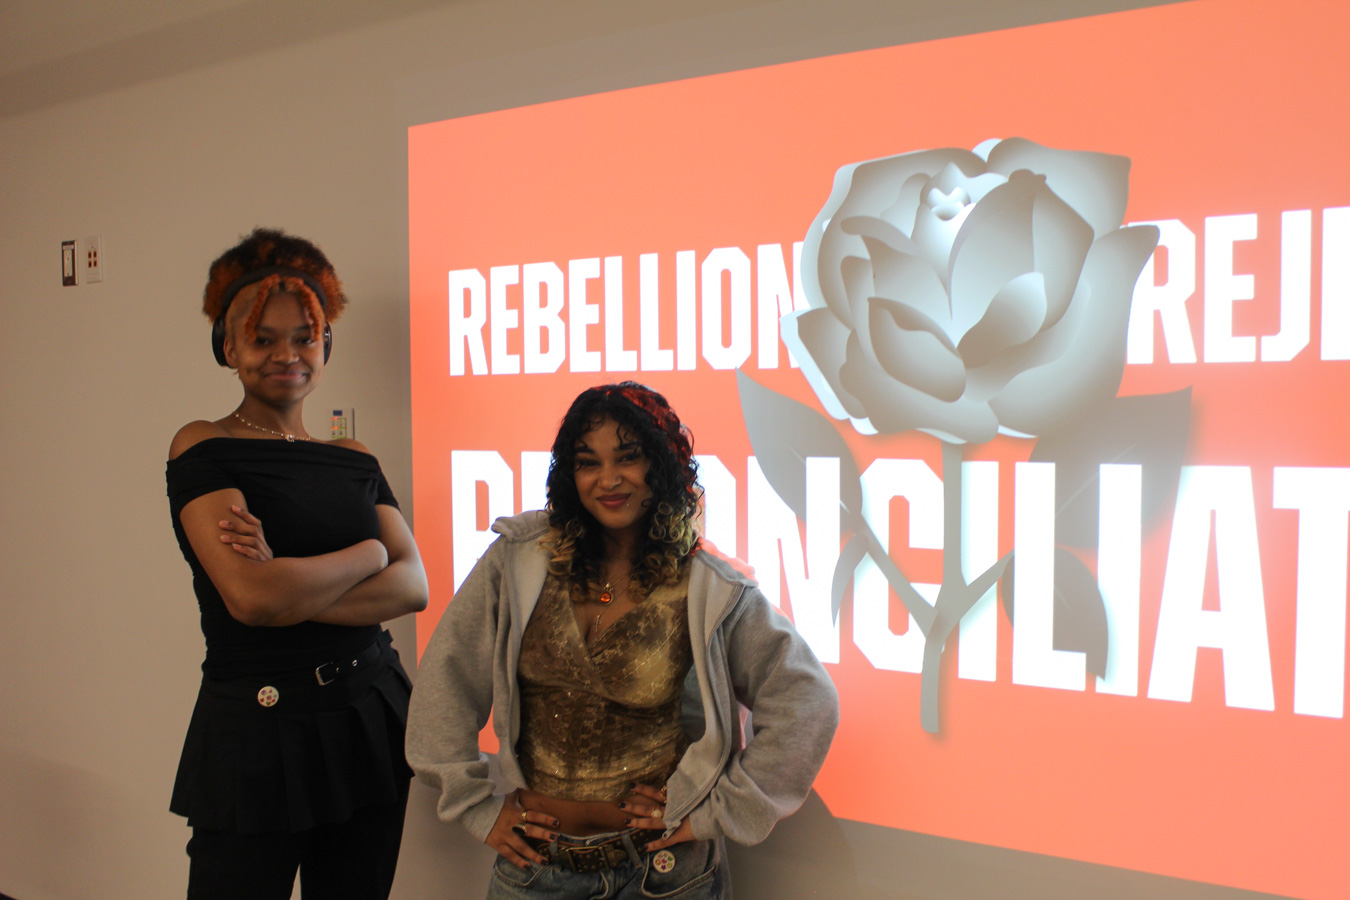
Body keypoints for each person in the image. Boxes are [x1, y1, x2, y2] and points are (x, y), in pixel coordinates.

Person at [407, 382, 839, 899]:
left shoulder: (707, 584)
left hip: (665, 877)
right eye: (588, 462)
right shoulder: (518, 560)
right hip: (535, 872)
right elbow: (445, 682)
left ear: (662, 465)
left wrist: (717, 810)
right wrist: (476, 806)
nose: (608, 479)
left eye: (629, 458)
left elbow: (807, 700)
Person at [165, 228, 428, 899]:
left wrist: (295, 586)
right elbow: (252, 599)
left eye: (304, 337)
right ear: (229, 347)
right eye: (263, 338)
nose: (287, 354)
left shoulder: (355, 456)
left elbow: (412, 583)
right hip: (258, 727)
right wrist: (368, 553)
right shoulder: (204, 445)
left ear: (325, 344)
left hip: (366, 710)